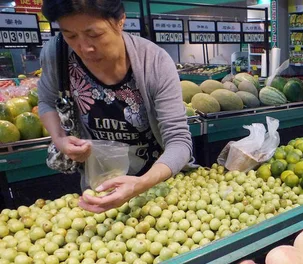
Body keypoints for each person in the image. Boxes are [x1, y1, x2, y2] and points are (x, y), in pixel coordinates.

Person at [38, 0, 194, 213]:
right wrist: (60, 139)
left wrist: (141, 184)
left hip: (157, 189)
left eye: (94, 35)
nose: (85, 48)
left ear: (120, 21)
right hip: (98, 189)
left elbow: (179, 141)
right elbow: (46, 101)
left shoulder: (154, 62)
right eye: (70, 35)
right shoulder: (57, 55)